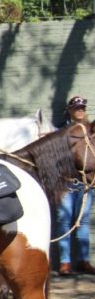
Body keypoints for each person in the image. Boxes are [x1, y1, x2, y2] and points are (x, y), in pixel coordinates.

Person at [54, 95, 95, 276]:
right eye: (76, 108)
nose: (80, 111)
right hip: (66, 183)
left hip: (85, 184)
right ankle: (65, 262)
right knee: (64, 220)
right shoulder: (61, 132)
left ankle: (83, 260)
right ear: (69, 110)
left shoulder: (90, 131)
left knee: (83, 222)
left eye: (82, 108)